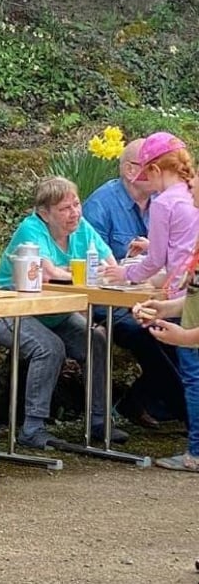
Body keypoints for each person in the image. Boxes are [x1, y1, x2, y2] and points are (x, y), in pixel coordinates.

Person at [0, 177, 129, 449]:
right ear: (44, 213)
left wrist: (100, 272)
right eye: (65, 208)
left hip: (56, 311)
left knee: (97, 339)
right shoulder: (31, 230)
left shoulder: (82, 228)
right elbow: (49, 274)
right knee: (50, 347)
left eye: (76, 204)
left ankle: (99, 421)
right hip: (13, 311)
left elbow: (111, 265)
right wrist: (81, 274)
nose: (75, 213)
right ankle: (32, 428)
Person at [83, 138, 184, 427]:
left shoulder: (162, 203)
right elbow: (93, 262)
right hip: (110, 302)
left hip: (154, 294)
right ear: (130, 170)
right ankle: (188, 414)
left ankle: (140, 401)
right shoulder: (101, 205)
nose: (158, 171)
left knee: (183, 324)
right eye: (152, 166)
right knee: (146, 331)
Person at [126, 132, 199, 472]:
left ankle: (195, 451)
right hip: (186, 290)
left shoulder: (166, 203)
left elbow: (155, 261)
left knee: (192, 376)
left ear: (155, 169)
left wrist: (120, 275)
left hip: (183, 294)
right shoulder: (185, 196)